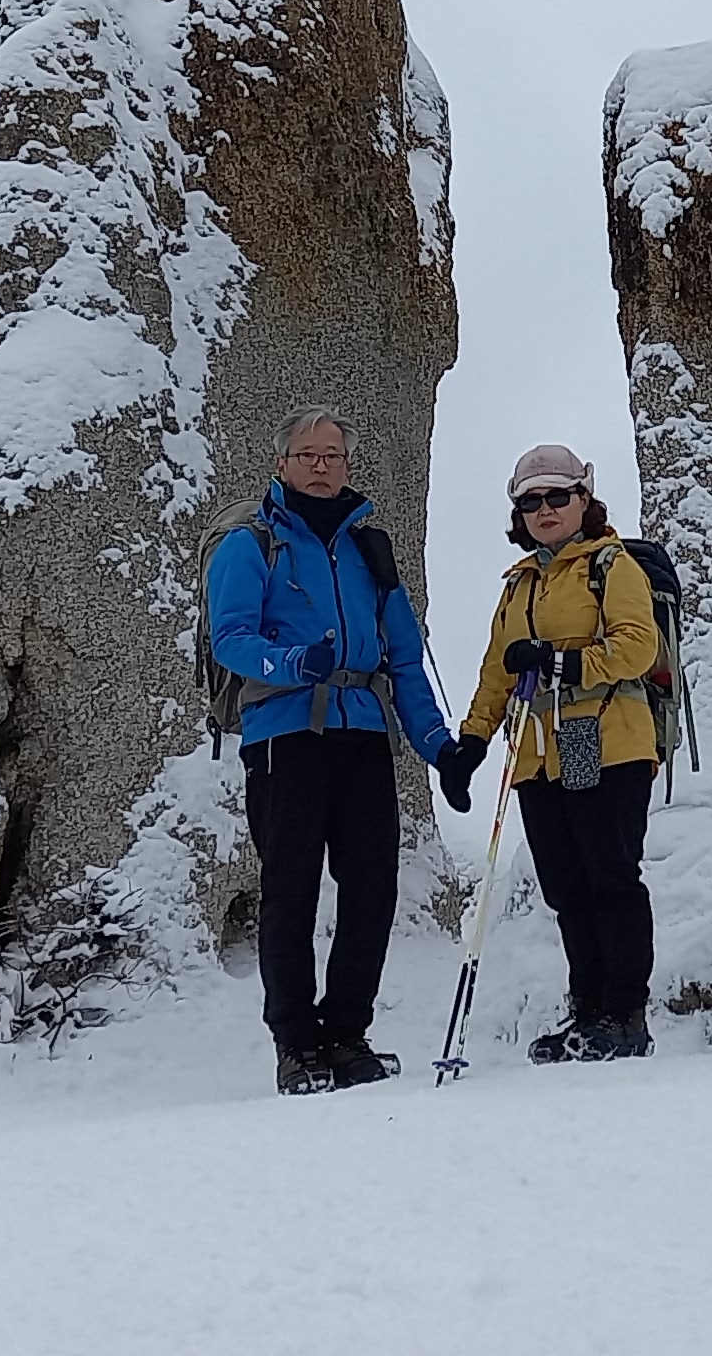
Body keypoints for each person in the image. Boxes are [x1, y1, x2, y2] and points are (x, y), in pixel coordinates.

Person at [205, 405, 459, 1096]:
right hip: (284, 738)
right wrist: (293, 663)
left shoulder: (369, 550)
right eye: (307, 456)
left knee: (372, 889)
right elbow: (229, 636)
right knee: (290, 890)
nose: (321, 467)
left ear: (347, 466)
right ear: (281, 464)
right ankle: (296, 1044)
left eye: (332, 457)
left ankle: (347, 1035)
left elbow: (404, 661)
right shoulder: (251, 544)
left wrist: (439, 747)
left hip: (362, 736)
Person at [448, 443, 665, 1063]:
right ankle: (588, 1014)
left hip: (609, 742)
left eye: (557, 496)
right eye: (531, 500)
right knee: (567, 887)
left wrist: (560, 661)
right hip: (540, 754)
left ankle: (624, 1016)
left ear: (583, 499)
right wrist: (472, 743)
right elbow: (498, 671)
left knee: (611, 880)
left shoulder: (611, 567)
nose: (544, 509)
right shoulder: (518, 586)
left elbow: (636, 649)